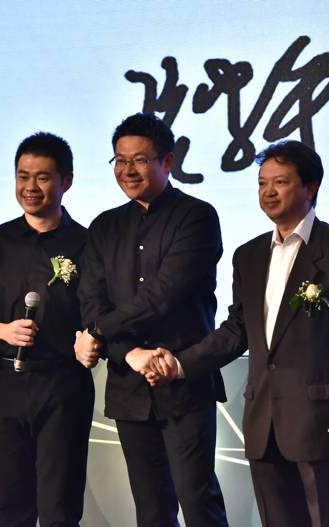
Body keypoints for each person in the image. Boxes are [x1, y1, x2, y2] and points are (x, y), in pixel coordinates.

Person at [145, 140, 329, 527]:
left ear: (310, 187)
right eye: (262, 183)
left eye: (281, 182)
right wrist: (179, 363)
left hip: (323, 420)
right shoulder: (249, 255)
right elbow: (237, 329)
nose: (268, 192)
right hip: (263, 420)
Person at [74, 113, 229, 527]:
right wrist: (130, 354)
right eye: (120, 161)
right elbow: (90, 300)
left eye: (140, 160)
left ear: (168, 161)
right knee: (151, 508)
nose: (128, 170)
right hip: (129, 386)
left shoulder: (197, 217)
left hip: (182, 380)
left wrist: (99, 333)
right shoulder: (104, 227)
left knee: (198, 500)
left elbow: (163, 294)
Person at [0, 132, 93, 527]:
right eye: (22, 176)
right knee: (12, 507)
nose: (30, 187)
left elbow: (99, 310)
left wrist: (92, 336)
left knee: (59, 508)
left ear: (66, 181)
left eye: (43, 177)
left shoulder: (87, 243)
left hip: (63, 385)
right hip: (3, 385)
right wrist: (2, 331)